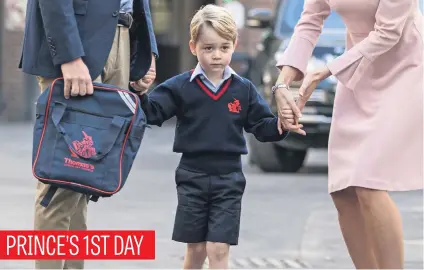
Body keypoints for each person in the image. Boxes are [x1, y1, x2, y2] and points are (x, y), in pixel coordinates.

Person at [130, 4, 297, 269]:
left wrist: (282, 123)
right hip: (191, 176)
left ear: (234, 45)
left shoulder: (244, 90)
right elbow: (151, 112)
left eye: (223, 47)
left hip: (229, 180)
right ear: (193, 47)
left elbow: (262, 127)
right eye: (208, 48)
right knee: (195, 251)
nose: (216, 55)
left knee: (218, 249)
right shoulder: (180, 87)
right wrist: (139, 91)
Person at [273, 0, 423, 269]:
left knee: (368, 182)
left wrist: (329, 69)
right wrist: (282, 84)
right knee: (343, 190)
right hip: (357, 69)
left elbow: (389, 32)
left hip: (405, 68)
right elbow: (309, 22)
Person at [19, 0, 158, 269]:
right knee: (59, 181)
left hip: (121, 35)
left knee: (83, 180)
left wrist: (146, 49)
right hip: (77, 43)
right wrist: (69, 55)